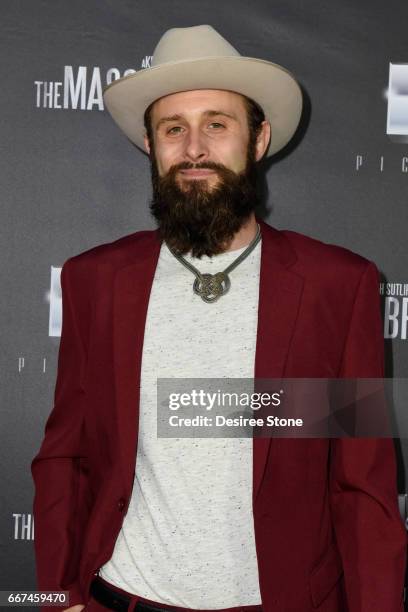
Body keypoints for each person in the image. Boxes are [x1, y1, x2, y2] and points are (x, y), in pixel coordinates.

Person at [31, 24, 406, 612]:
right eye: (173, 128)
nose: (195, 148)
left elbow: (363, 487)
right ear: (150, 146)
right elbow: (65, 457)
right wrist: (50, 599)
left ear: (257, 140)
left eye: (217, 124)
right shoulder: (94, 282)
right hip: (122, 598)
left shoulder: (339, 287)